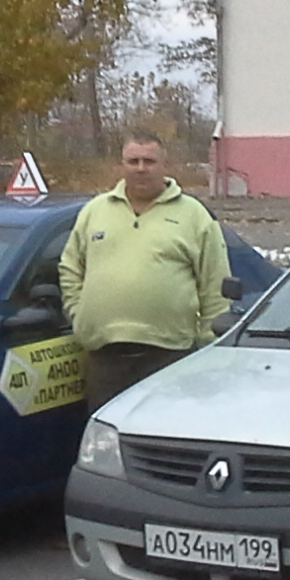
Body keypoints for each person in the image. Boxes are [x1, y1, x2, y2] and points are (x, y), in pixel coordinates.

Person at [59, 133, 232, 412]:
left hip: (170, 356)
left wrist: (209, 344)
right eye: (133, 161)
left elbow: (215, 283)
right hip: (106, 357)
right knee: (108, 439)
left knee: (164, 438)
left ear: (165, 165)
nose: (141, 168)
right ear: (122, 165)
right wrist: (80, 315)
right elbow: (70, 268)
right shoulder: (95, 211)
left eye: (149, 161)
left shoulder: (194, 215)